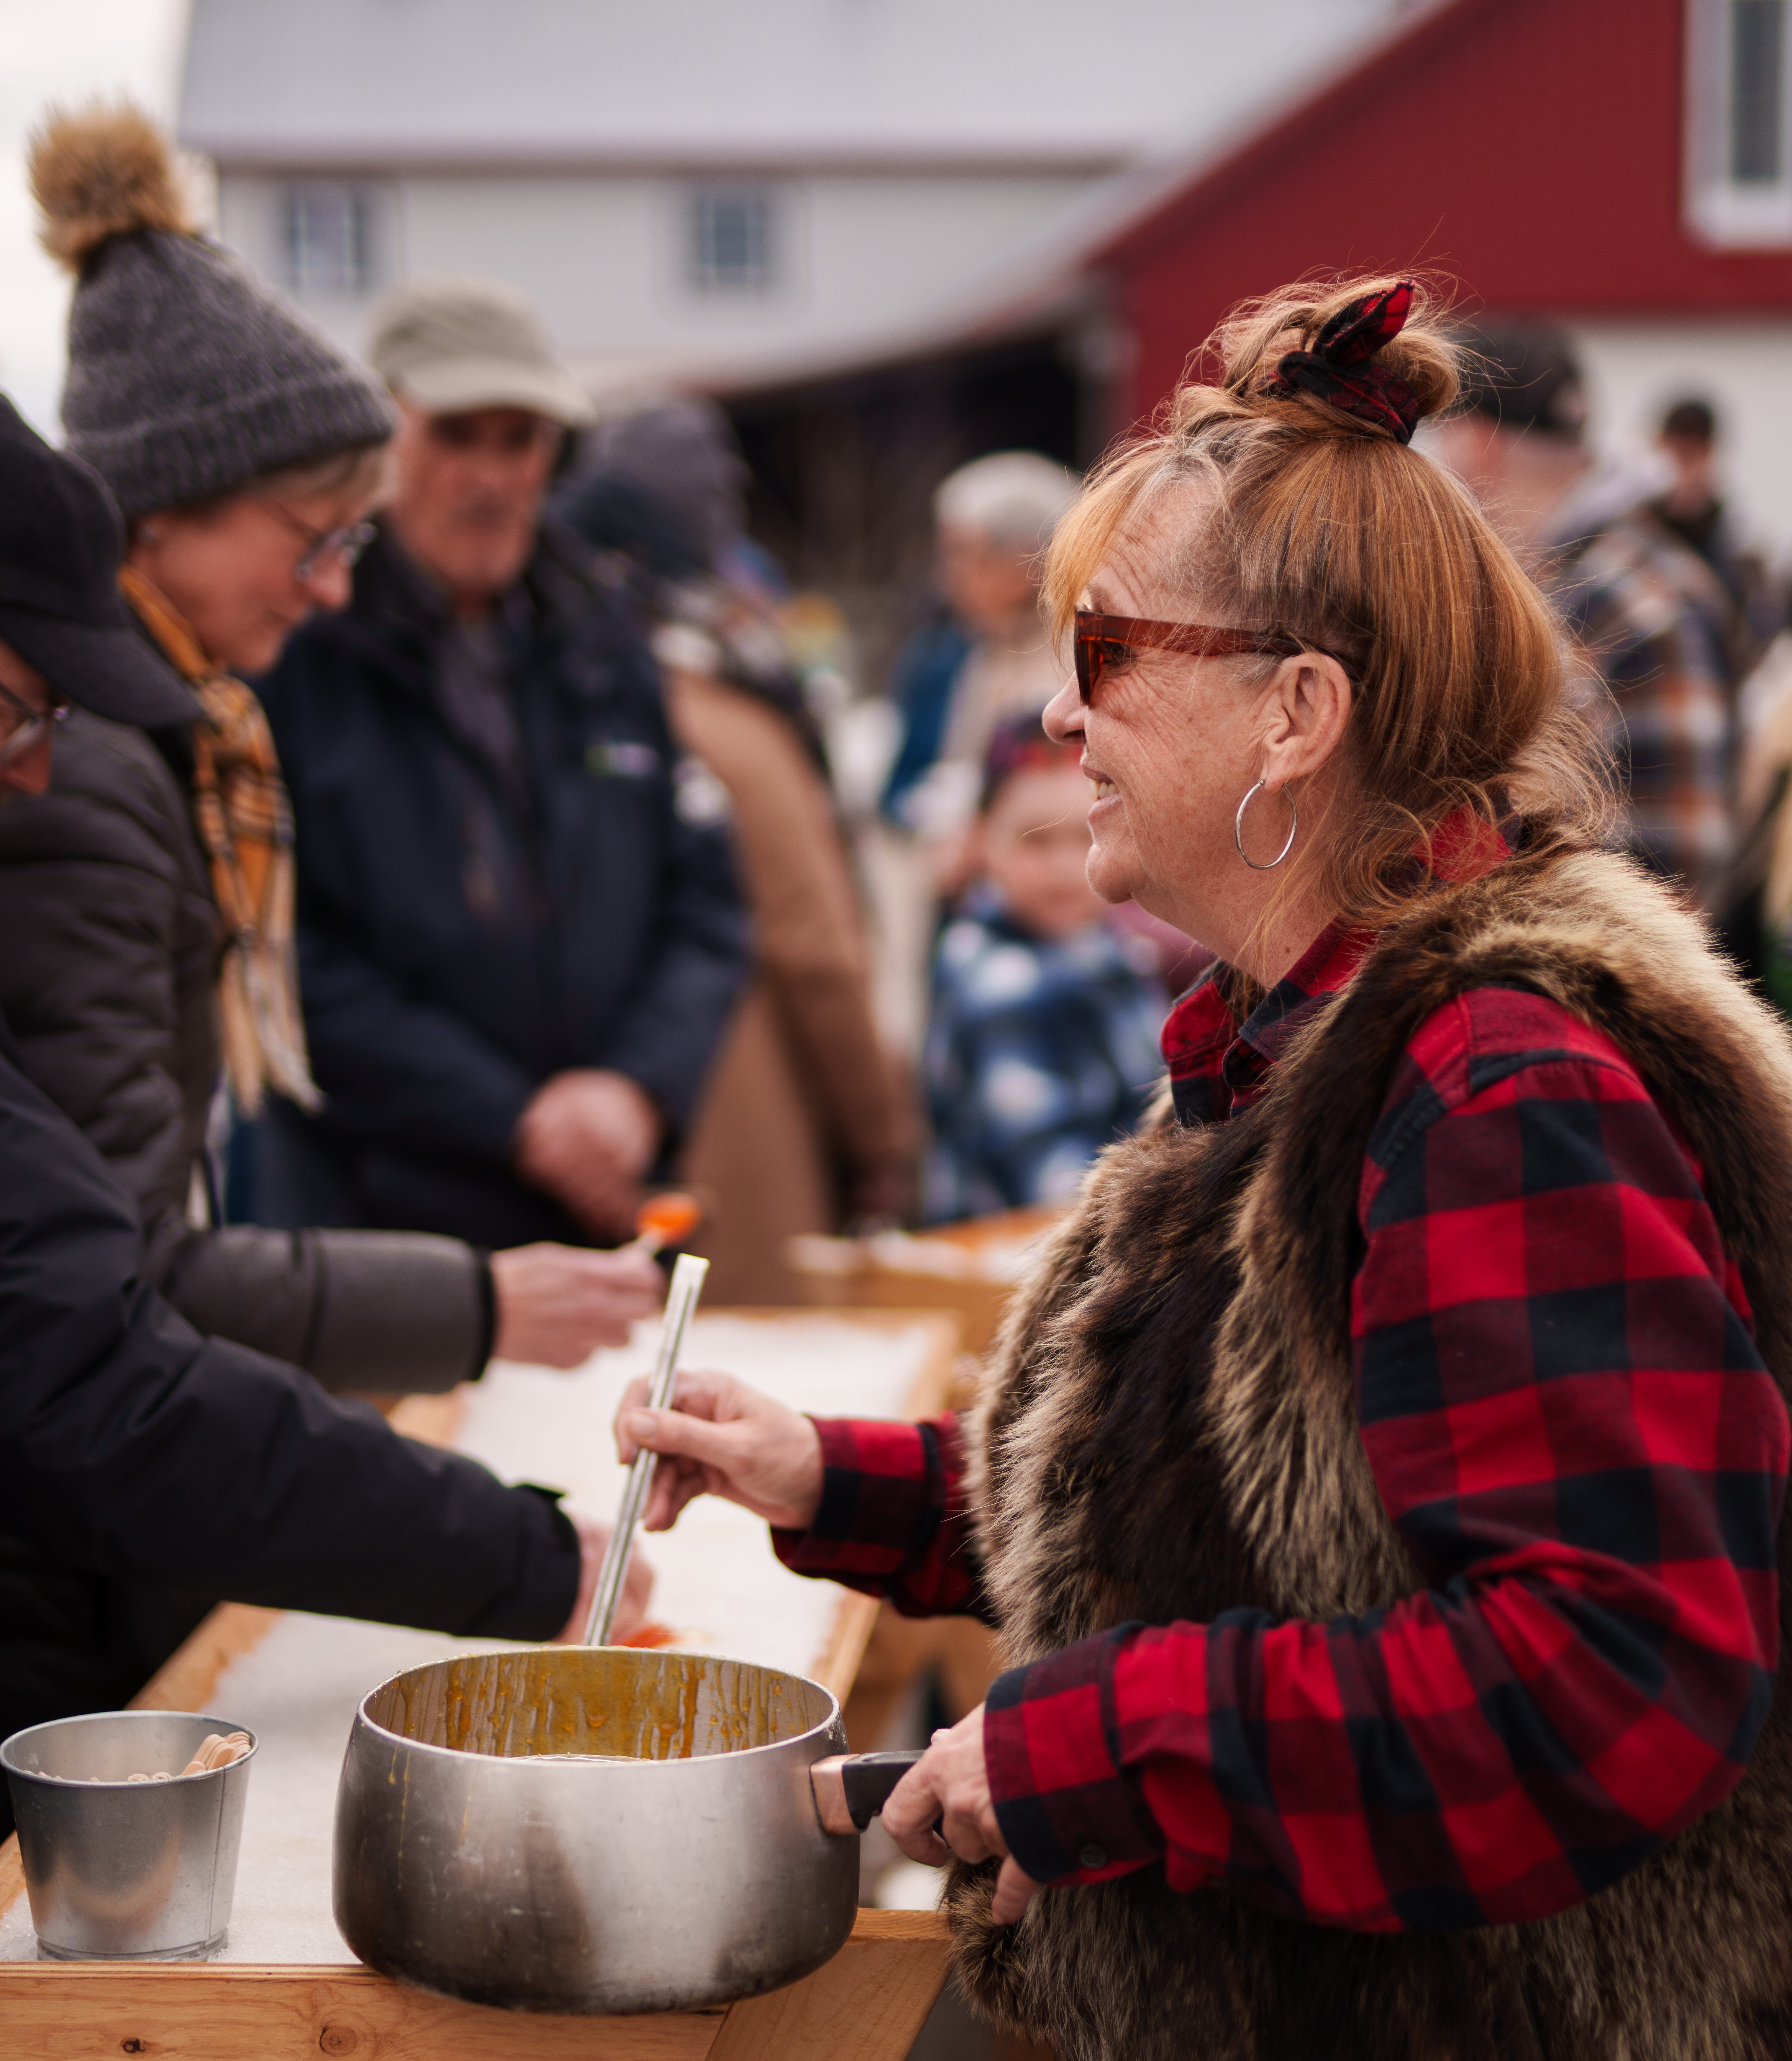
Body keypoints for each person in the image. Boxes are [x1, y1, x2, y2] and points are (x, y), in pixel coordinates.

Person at [610, 278, 1792, 2060]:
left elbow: (1601, 1685)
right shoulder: (1309, 1032)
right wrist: (827, 1482)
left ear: (1295, 714)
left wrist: (1076, 1748)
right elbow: (1241, 1528)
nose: (1056, 718)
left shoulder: (1493, 1081)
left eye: (1101, 652)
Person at [0, 492, 647, 1837]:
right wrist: (507, 1546)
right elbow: (93, 1362)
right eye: (16, 712)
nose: (33, 769)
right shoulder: (114, 805)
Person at [0, 107, 662, 1393]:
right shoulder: (82, 774)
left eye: (347, 548)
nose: (331, 593)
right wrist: (475, 1300)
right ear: (154, 522)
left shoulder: (198, 734)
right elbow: (118, 1283)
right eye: (312, 539)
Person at [255, 278, 748, 1253]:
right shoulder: (297, 649)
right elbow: (281, 951)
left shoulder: (604, 636)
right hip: (384, 1233)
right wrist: (515, 1121)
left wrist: (632, 1090)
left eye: (517, 438)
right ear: (381, 434)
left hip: (602, 1212)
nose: (489, 476)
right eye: (455, 434)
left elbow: (707, 902)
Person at [561, 404, 914, 1295]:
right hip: (737, 1153)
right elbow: (816, 953)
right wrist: (884, 1139)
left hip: (571, 1151)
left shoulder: (544, 697)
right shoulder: (732, 720)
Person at [1430, 323, 1741, 913]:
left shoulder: (1625, 597)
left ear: (1475, 443)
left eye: (1441, 439)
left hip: (1602, 987)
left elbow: (1681, 880)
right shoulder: (1571, 581)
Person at [922, 714, 1165, 1222]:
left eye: (1084, 838)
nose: (1062, 869)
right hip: (1022, 1272)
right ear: (983, 840)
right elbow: (1055, 1191)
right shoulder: (1000, 987)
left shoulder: (1105, 948)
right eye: (1036, 841)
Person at [880, 451, 1080, 839]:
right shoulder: (963, 653)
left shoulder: (1080, 660)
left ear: (1024, 563)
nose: (946, 576)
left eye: (964, 555)